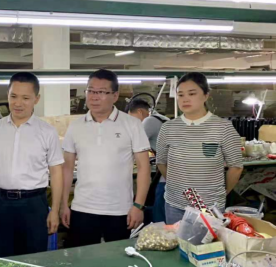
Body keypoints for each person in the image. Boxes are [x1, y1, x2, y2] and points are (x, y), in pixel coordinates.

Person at [61, 69, 151, 247]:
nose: (94, 97)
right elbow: (67, 168)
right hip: (82, 208)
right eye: (90, 91)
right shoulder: (76, 126)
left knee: (118, 258)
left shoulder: (132, 124)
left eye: (101, 92)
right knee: (81, 258)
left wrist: (138, 205)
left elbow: (144, 168)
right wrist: (64, 204)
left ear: (115, 96)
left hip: (120, 210)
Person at [0, 72, 64, 258]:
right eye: (13, 96)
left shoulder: (47, 132)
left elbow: (56, 173)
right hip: (2, 203)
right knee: (6, 258)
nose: (18, 103)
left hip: (34, 204)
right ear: (7, 95)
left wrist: (55, 210)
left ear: (36, 99)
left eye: (25, 98)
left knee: (35, 258)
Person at [156, 72, 244, 225]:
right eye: (180, 95)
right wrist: (177, 185)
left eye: (192, 93)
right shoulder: (168, 128)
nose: (185, 99)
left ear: (205, 95)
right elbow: (161, 162)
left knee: (208, 240)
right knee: (176, 239)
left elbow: (235, 167)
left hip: (210, 207)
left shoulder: (223, 128)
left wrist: (222, 193)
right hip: (174, 205)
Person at [128, 98, 170, 223]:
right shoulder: (161, 119)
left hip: (166, 175)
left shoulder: (149, 121)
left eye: (131, 118)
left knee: (159, 216)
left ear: (140, 112)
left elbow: (132, 145)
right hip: (171, 172)